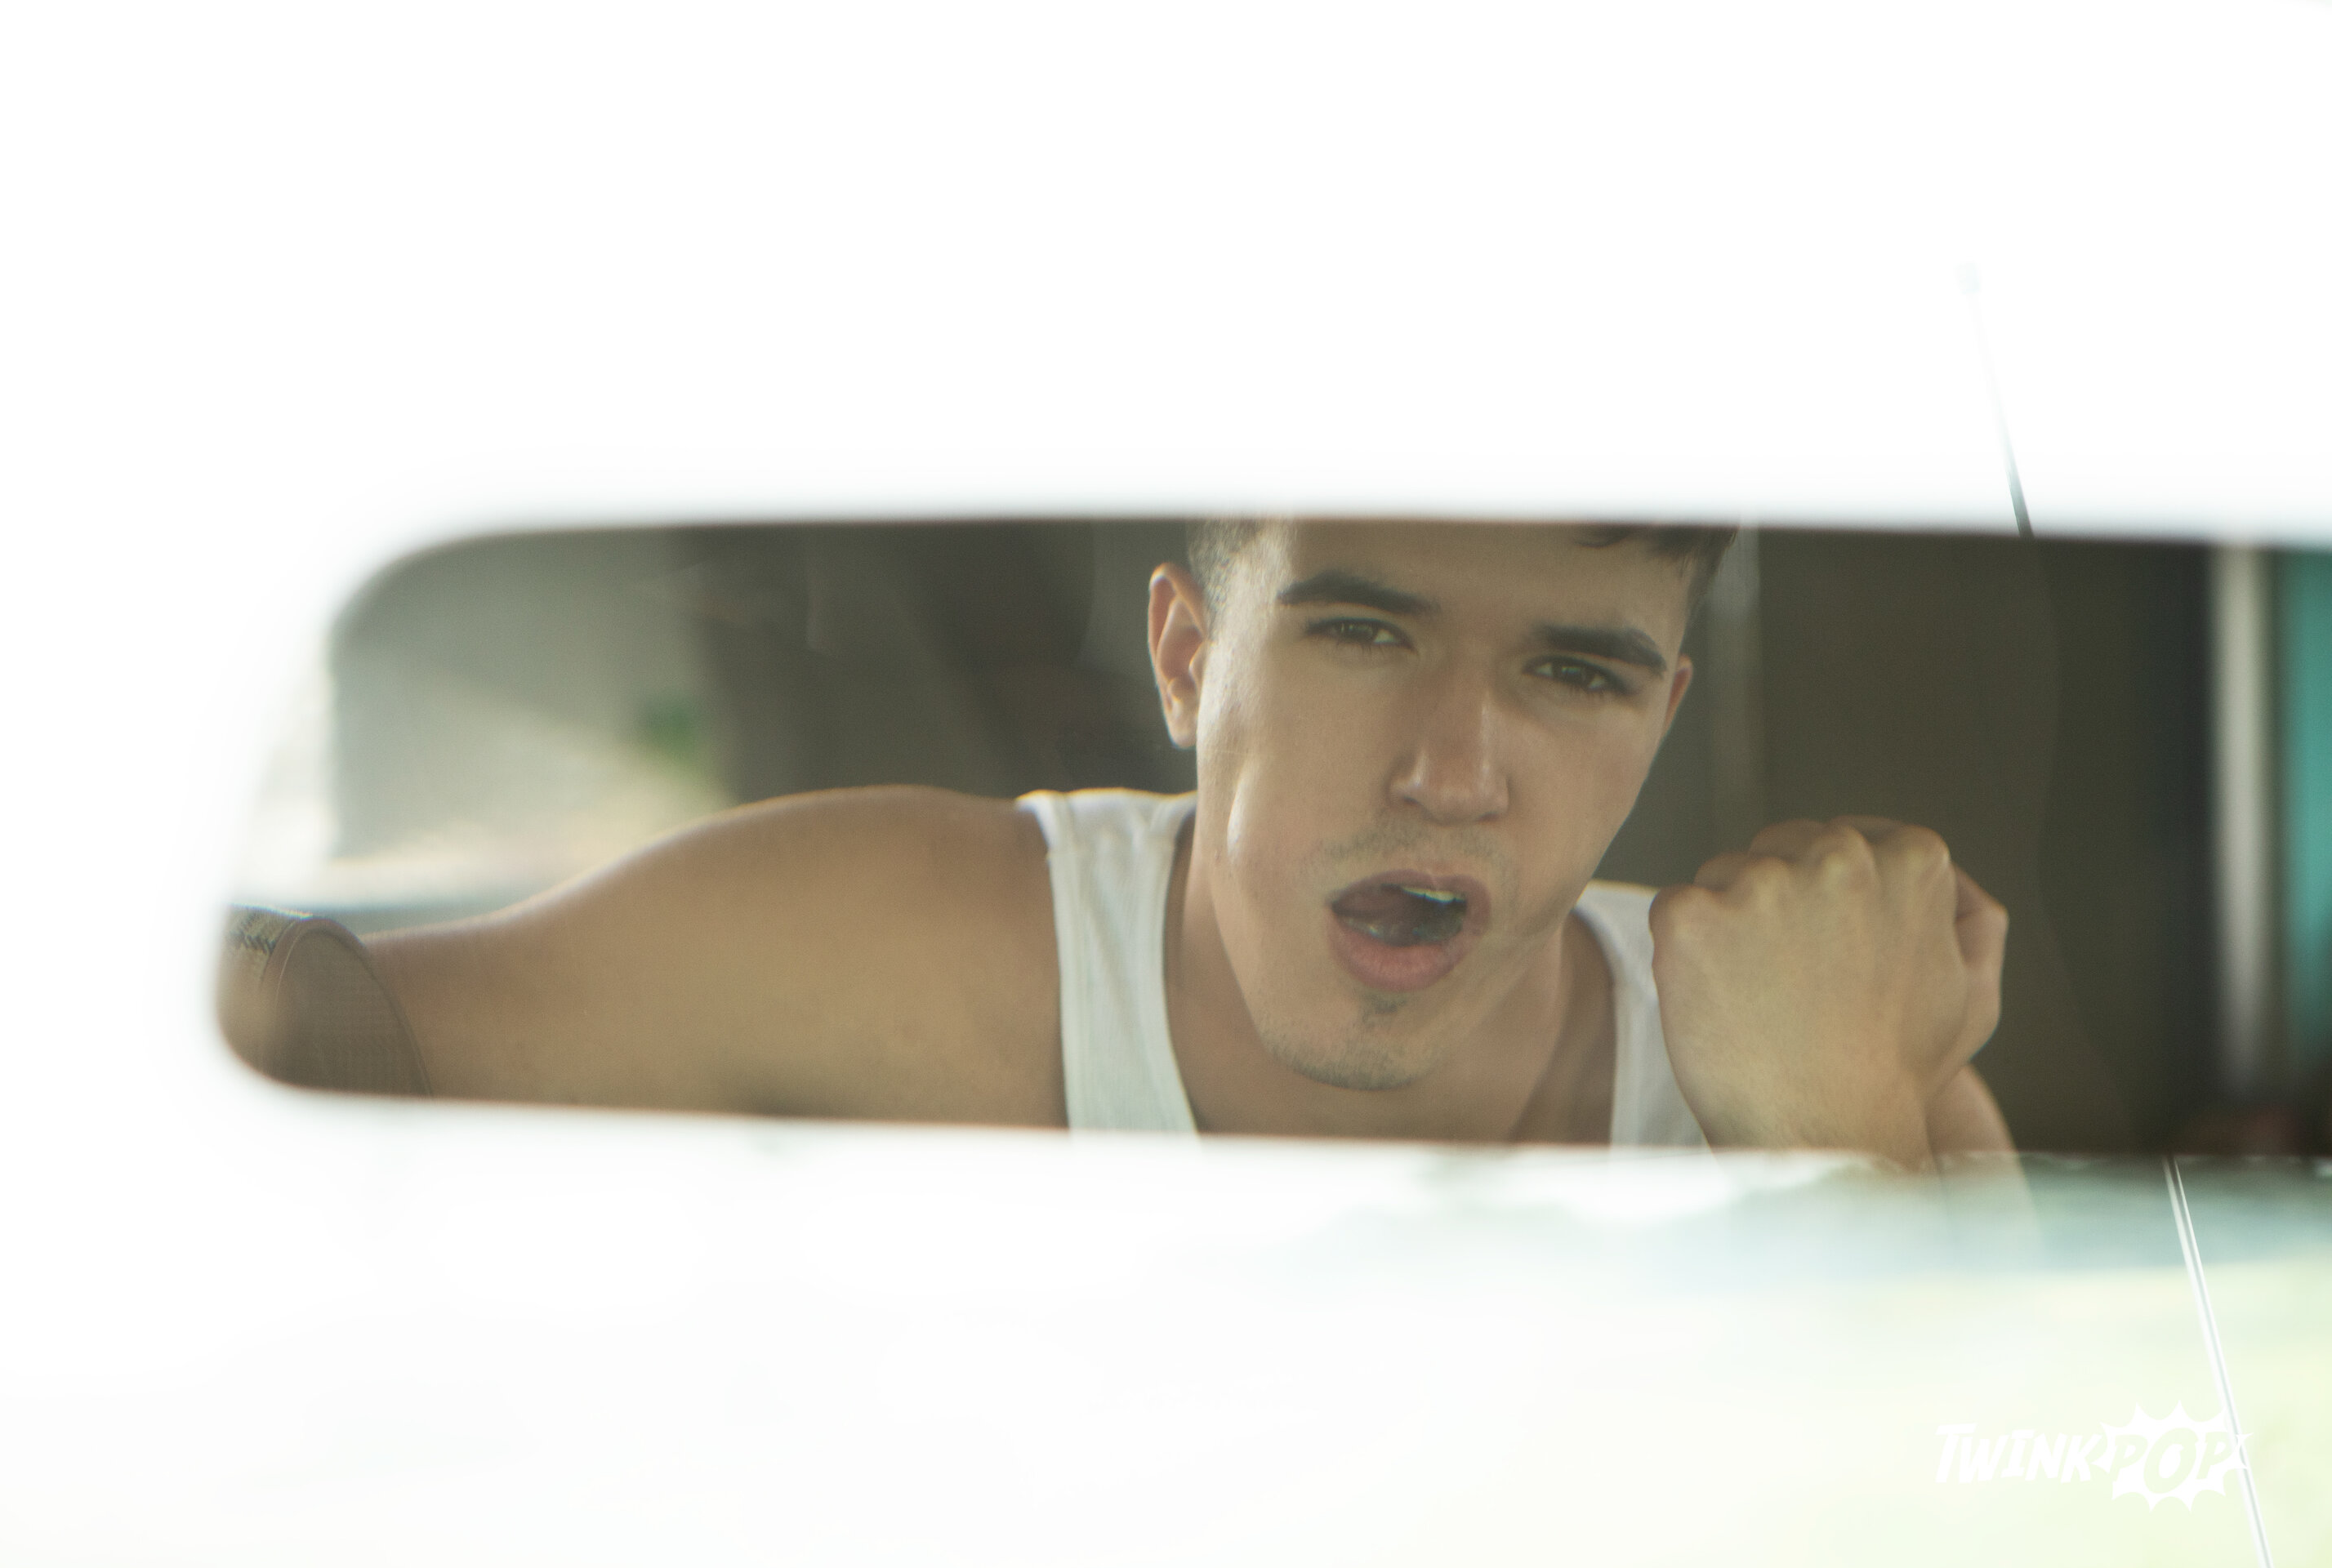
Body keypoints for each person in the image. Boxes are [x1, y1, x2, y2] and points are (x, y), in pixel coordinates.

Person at [366, 518, 2014, 1168]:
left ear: (1662, 720)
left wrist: (1838, 1141)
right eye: (1363, 634)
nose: (1453, 774)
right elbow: (326, 1025)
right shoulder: (905, 945)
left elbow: (2021, 1503)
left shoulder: (1834, 1056)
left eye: (1575, 674)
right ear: (1184, 661)